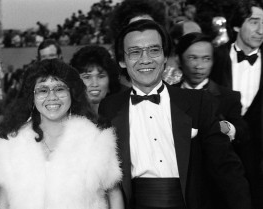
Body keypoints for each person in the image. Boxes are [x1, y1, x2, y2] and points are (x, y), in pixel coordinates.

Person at [99, 19, 251, 209]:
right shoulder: (109, 108)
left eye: (154, 50)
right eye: (135, 52)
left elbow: (226, 169)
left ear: (165, 57)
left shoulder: (197, 102)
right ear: (122, 60)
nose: (145, 59)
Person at [0, 59, 123, 209]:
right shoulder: (12, 143)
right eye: (43, 90)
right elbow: (5, 201)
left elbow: (114, 194)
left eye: (59, 89)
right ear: (32, 97)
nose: (52, 97)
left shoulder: (95, 140)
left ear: (72, 93)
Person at [175, 32, 249, 209]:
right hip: (177, 187)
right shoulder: (167, 95)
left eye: (206, 59)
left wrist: (224, 128)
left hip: (215, 191)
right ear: (179, 60)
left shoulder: (228, 97)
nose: (199, 66)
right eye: (192, 58)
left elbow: (243, 131)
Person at [210, 1, 263, 207]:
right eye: (254, 22)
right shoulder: (214, 58)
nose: (261, 30)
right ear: (236, 26)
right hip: (219, 160)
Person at [70, 45, 124, 115]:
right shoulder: (66, 118)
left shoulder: (126, 114)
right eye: (87, 77)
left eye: (101, 76)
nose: (95, 84)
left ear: (110, 80)